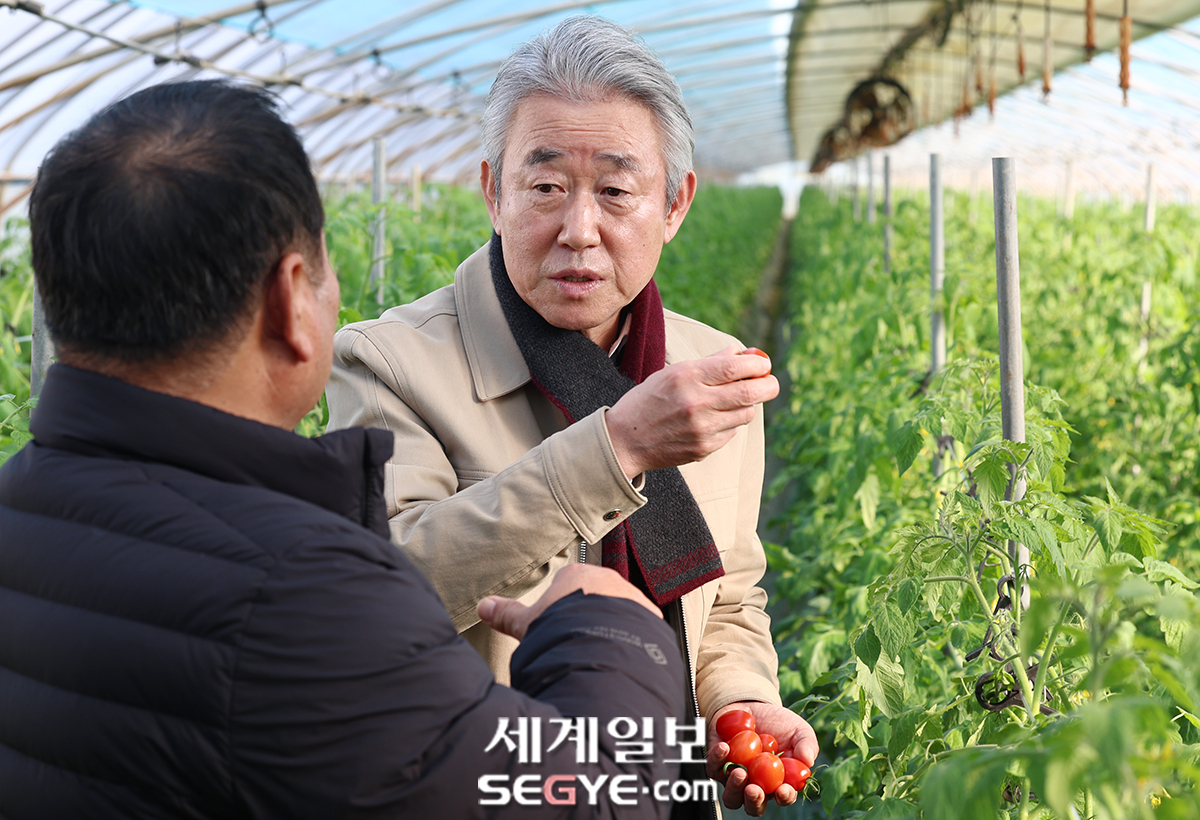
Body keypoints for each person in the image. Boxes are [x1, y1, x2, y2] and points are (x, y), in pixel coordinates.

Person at [0, 79, 692, 819]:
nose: (580, 227)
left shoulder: (20, 506)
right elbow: (589, 801)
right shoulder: (301, 594)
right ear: (289, 300)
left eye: (616, 189)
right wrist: (605, 628)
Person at [326, 15, 819, 816]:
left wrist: (738, 698)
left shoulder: (710, 370)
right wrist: (617, 447)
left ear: (675, 204)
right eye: (546, 187)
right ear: (493, 191)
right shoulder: (390, 363)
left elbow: (729, 594)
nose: (579, 230)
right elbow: (381, 597)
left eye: (617, 191)